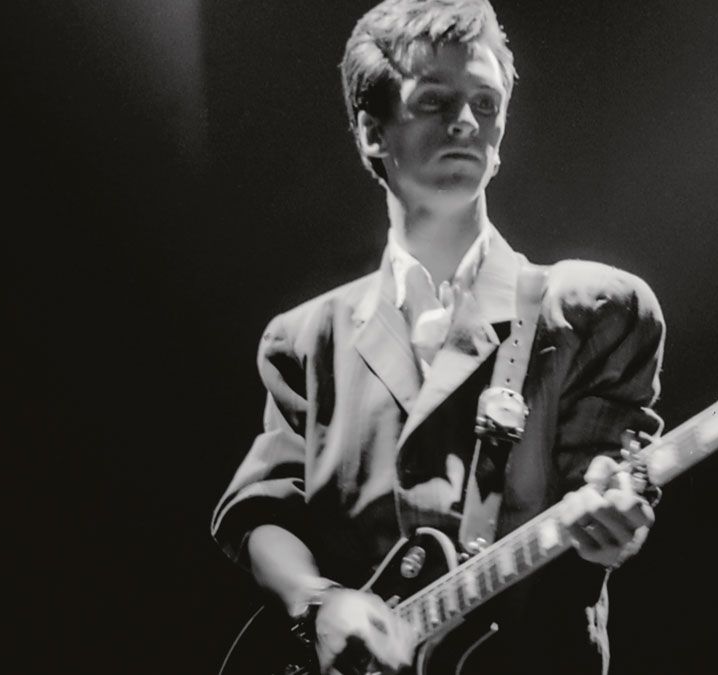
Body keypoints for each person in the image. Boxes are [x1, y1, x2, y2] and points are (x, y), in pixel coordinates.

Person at [211, 1, 665, 673]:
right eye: (435, 102)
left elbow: (610, 474)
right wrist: (316, 601)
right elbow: (258, 512)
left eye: (486, 102)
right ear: (372, 131)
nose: (466, 122)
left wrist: (614, 518)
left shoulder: (594, 308)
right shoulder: (306, 338)